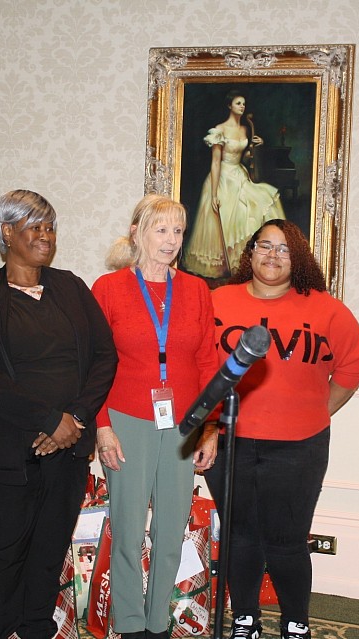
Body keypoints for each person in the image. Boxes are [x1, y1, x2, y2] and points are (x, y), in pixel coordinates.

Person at [0, 189, 117, 639]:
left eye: (50, 227)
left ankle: (36, 630)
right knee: (4, 556)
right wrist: (49, 420)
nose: (46, 235)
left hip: (67, 450)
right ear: (7, 233)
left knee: (49, 554)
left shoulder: (70, 286)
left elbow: (104, 356)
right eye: (35, 227)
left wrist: (75, 418)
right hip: (4, 457)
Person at [204, 219, 359, 639]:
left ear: (297, 259)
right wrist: (206, 428)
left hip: (299, 447)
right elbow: (198, 365)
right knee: (239, 536)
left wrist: (316, 411)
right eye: (265, 245)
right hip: (228, 441)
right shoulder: (217, 301)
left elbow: (354, 366)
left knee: (287, 539)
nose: (272, 255)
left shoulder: (327, 309)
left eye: (283, 249)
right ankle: (245, 618)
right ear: (250, 253)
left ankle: (296, 622)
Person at [92, 194, 219, 639]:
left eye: (178, 231)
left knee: (171, 527)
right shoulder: (108, 288)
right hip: (126, 419)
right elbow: (93, 366)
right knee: (128, 528)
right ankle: (130, 623)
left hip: (184, 423)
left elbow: (208, 362)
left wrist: (210, 427)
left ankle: (158, 621)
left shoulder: (197, 290)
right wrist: (102, 427)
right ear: (136, 233)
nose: (170, 240)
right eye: (161, 230)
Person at [183, 90, 286, 279]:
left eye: (244, 103)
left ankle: (243, 264)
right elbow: (215, 162)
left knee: (255, 208)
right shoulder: (219, 129)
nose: (242, 106)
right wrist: (214, 193)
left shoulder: (246, 129)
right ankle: (225, 265)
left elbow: (244, 157)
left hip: (239, 174)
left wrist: (255, 147)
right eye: (238, 103)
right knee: (226, 219)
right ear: (229, 106)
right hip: (222, 178)